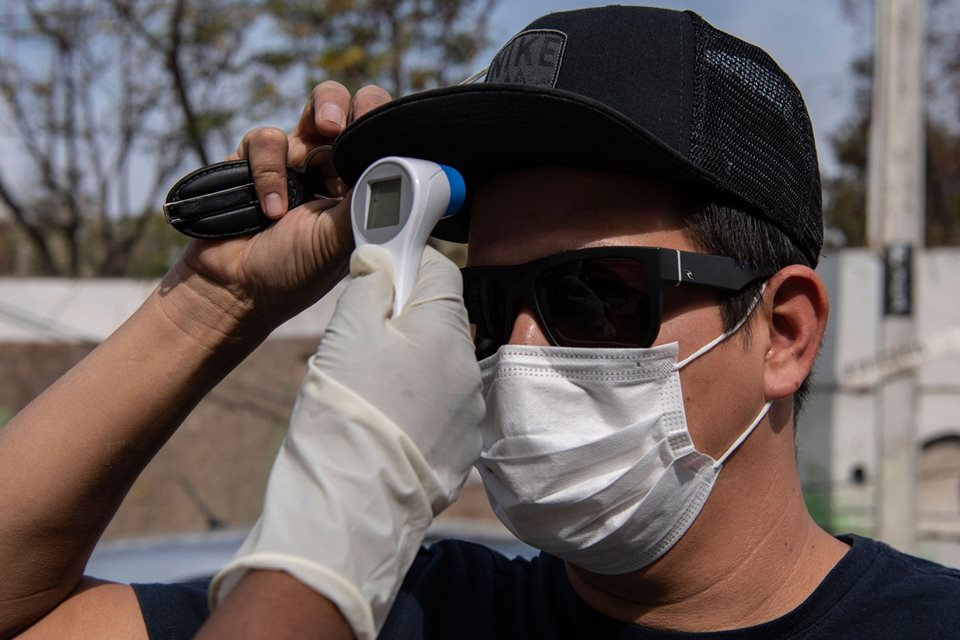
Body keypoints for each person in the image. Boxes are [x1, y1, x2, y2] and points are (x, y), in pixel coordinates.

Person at [2, 5, 959, 640]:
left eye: (594, 295)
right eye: (486, 306)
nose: (520, 354)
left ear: (784, 331)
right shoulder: (413, 611)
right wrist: (215, 305)